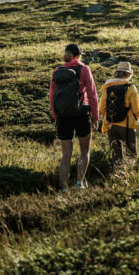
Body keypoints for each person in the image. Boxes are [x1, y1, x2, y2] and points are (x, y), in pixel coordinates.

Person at [49, 44, 99, 193]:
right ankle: (79, 183)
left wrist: (56, 116)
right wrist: (95, 117)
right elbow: (92, 95)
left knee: (66, 154)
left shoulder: (57, 71)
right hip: (81, 113)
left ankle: (64, 188)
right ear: (79, 55)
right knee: (84, 151)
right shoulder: (84, 69)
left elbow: (52, 97)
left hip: (63, 116)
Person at [98, 62, 139, 175]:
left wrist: (110, 117)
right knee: (131, 153)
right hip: (127, 125)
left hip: (111, 125)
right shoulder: (131, 88)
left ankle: (117, 175)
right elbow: (137, 111)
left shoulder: (107, 87)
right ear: (128, 74)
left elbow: (101, 108)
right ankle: (130, 175)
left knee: (116, 154)